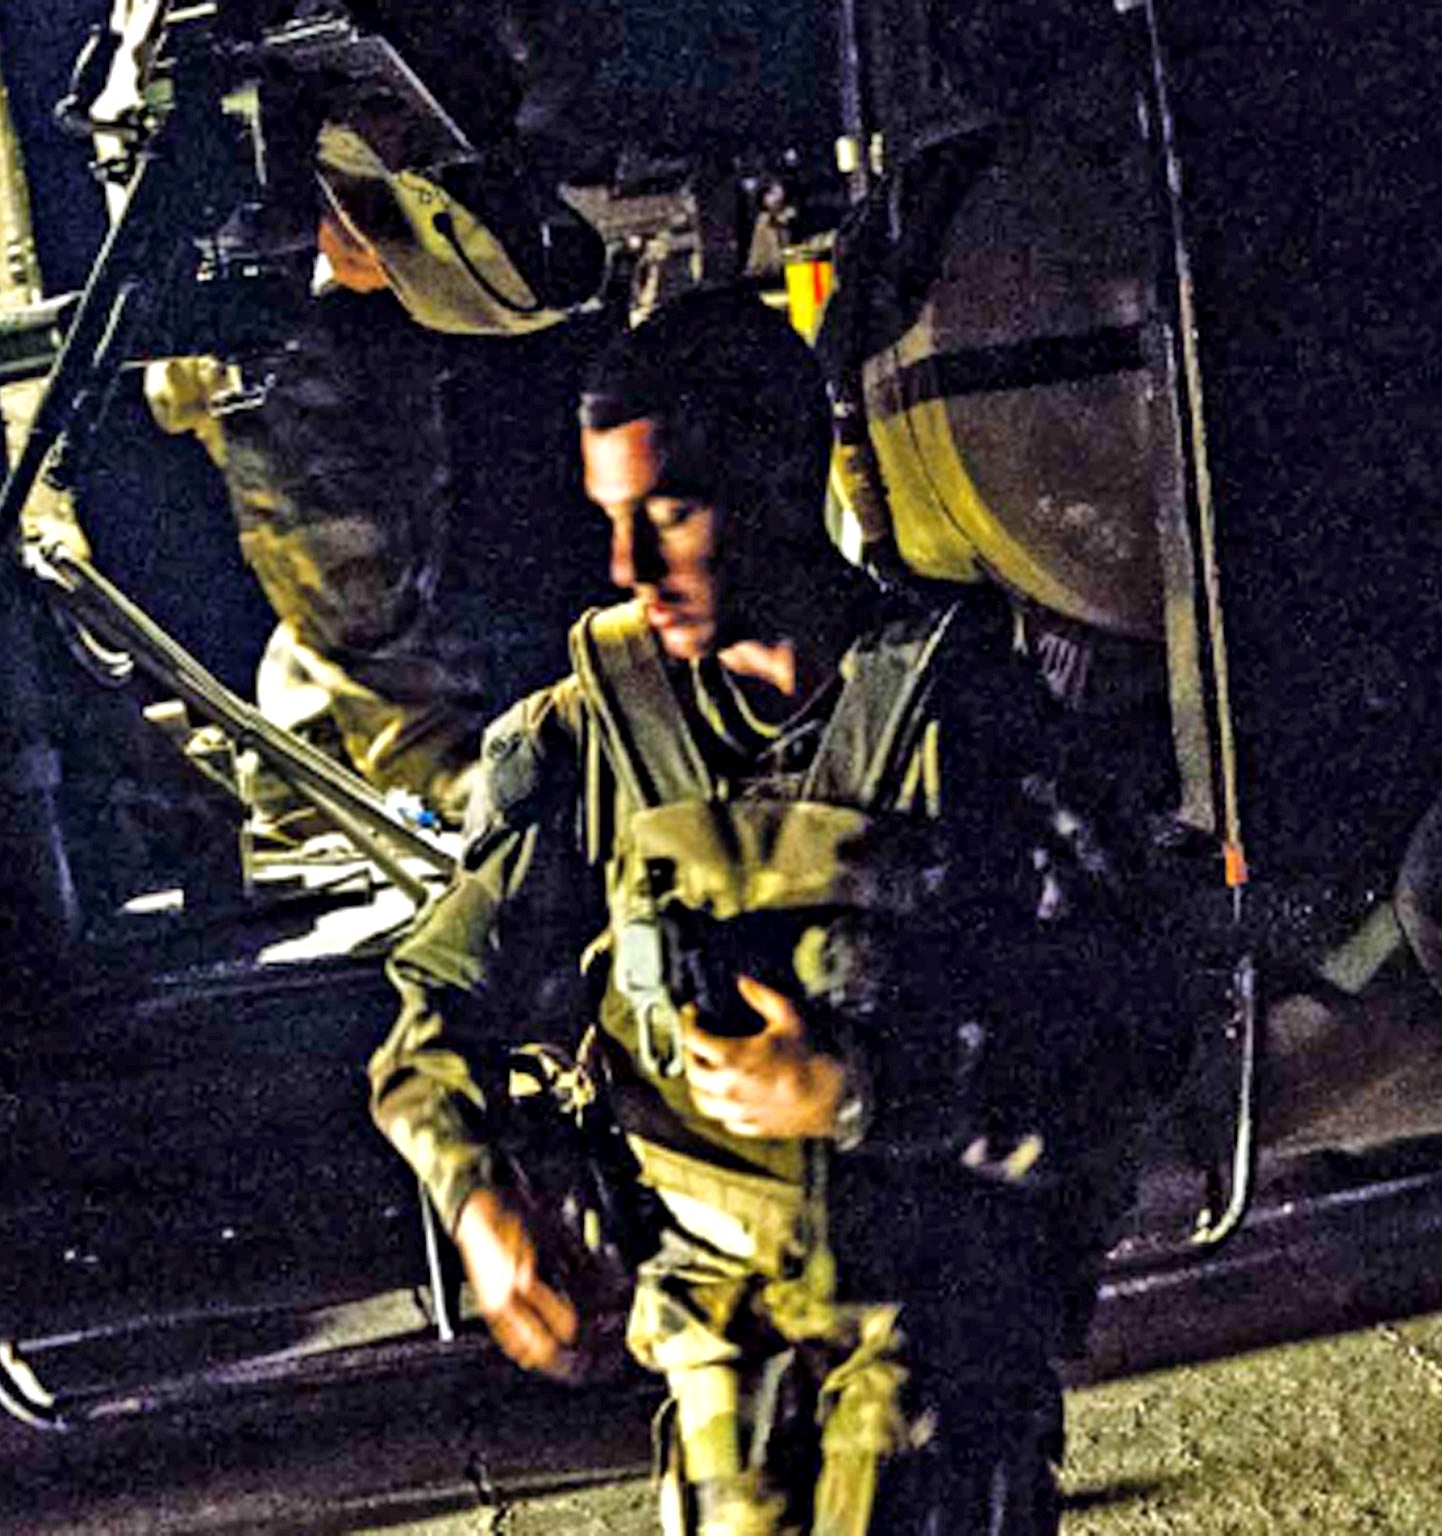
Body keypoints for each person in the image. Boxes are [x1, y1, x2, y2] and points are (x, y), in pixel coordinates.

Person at [369, 286, 1178, 1534]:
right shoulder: (593, 733)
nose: (627, 569)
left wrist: (865, 1093)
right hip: (718, 1346)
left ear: (779, 476)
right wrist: (479, 1205)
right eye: (610, 519)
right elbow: (435, 1009)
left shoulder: (955, 712)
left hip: (932, 1330)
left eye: (669, 513)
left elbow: (1132, 1022)